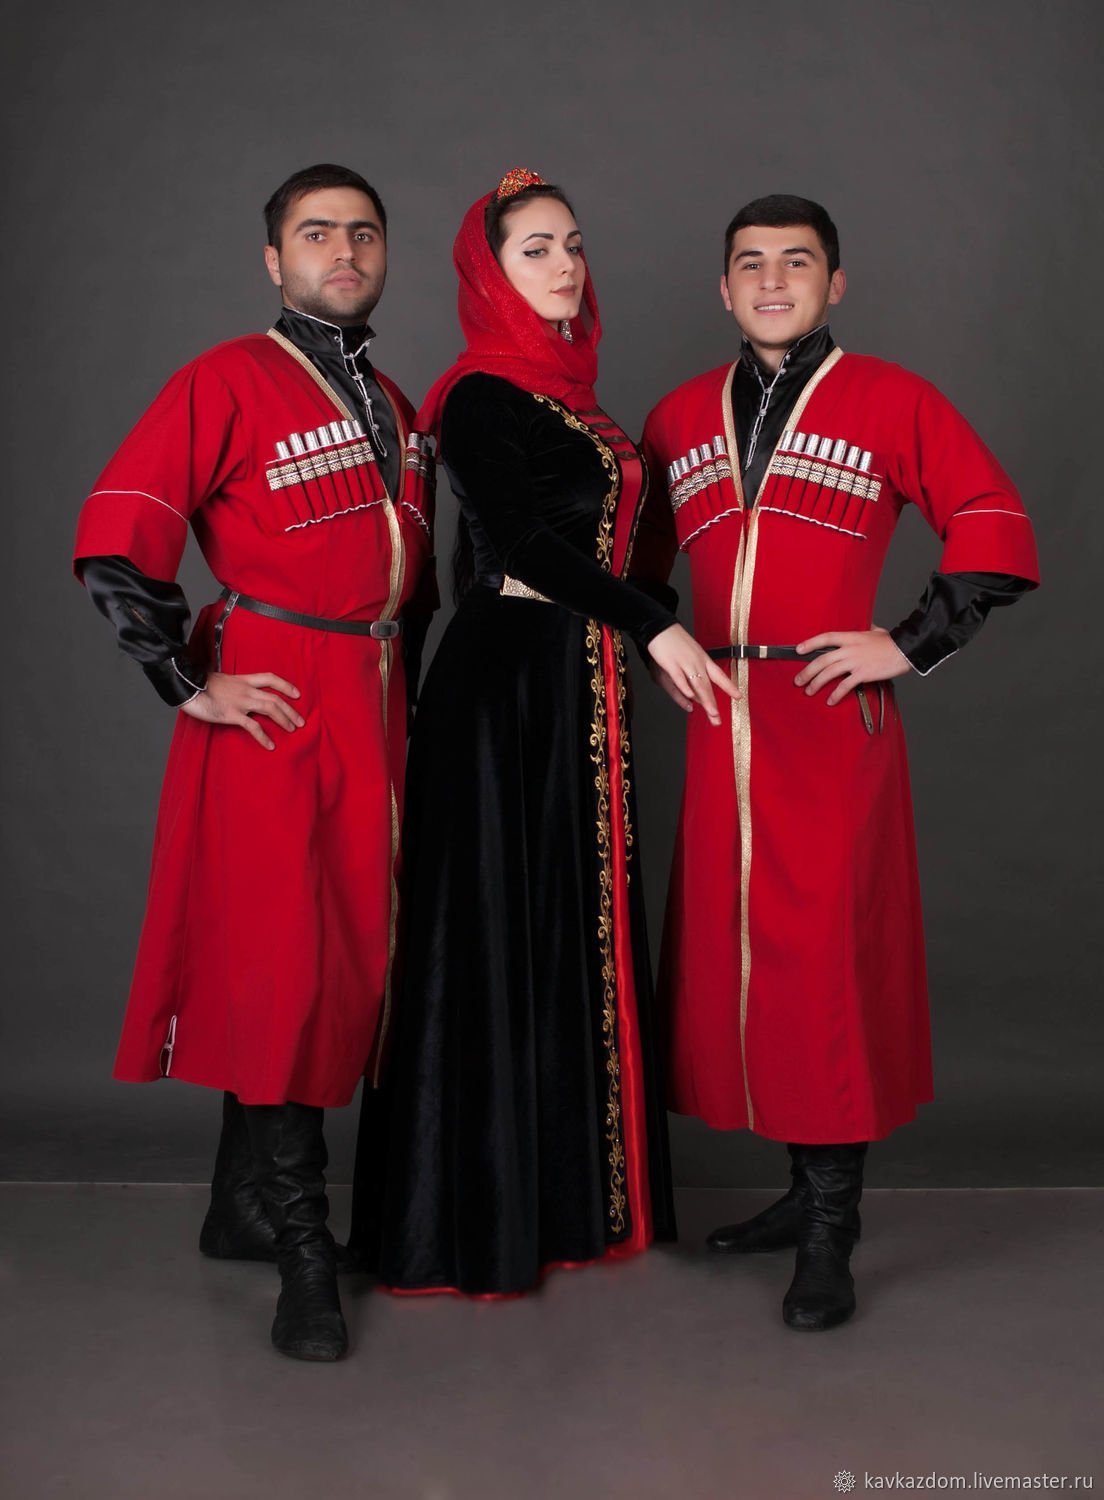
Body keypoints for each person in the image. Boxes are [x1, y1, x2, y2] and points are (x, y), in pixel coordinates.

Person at [635, 194, 1039, 1331]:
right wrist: (655, 638)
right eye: (751, 264)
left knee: (823, 970)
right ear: (723, 288)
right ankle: (795, 1190)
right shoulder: (677, 416)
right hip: (722, 719)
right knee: (739, 964)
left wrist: (906, 644)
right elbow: (638, 561)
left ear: (835, 283)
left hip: (826, 719)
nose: (772, 281)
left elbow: (994, 521)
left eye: (797, 262)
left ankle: (831, 1227)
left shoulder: (892, 399)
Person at [72, 163, 437, 1360]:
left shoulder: (396, 402)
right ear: (274, 261)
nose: (345, 250)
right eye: (317, 233)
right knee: (283, 959)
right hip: (278, 698)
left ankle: (241, 1205)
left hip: (374, 698)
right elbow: (119, 538)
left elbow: (417, 578)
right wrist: (189, 681)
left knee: (354, 955)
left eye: (364, 233)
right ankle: (301, 1246)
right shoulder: (223, 378)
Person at [349, 169, 736, 1296]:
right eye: (534, 250)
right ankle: (475, 1220)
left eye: (572, 243)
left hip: (580, 684)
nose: (565, 264)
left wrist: (647, 616)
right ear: (489, 274)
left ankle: (571, 1202)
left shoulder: (579, 396)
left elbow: (617, 544)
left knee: (568, 923)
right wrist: (656, 628)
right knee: (496, 932)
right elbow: (520, 541)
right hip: (507, 688)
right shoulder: (480, 392)